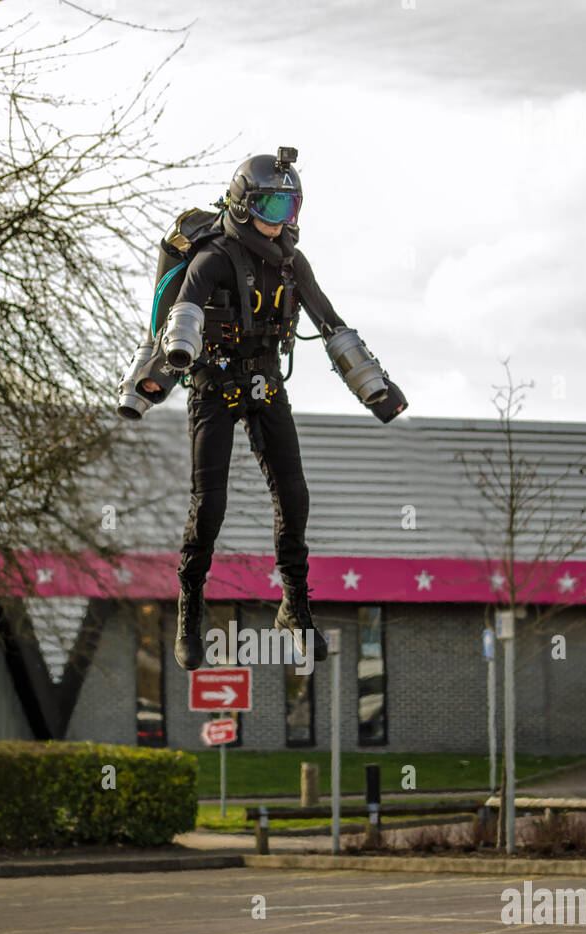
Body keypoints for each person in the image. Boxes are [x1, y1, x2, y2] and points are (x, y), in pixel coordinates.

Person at [119, 147, 407, 670]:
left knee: (294, 497)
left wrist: (374, 388)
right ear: (246, 204)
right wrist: (170, 361)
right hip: (212, 383)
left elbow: (331, 323)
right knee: (209, 507)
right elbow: (182, 311)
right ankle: (191, 607)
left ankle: (295, 607)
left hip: (266, 383)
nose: (283, 222)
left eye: (292, 209)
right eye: (274, 209)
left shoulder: (293, 264)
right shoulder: (212, 256)